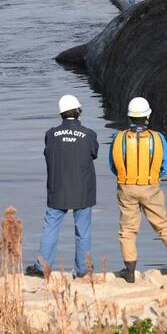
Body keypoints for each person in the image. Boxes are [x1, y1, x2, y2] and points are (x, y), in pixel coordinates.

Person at [109, 97, 167, 282]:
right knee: (162, 224)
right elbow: (165, 163)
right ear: (148, 116)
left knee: (127, 229)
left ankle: (129, 270)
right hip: (151, 186)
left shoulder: (118, 137)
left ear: (129, 117)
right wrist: (153, 176)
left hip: (126, 186)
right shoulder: (157, 137)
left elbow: (113, 165)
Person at [25, 95, 99, 278]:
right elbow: (93, 153)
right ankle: (82, 270)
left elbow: (48, 153)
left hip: (57, 188)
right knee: (83, 231)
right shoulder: (89, 134)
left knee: (51, 228)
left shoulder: (50, 134)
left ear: (61, 114)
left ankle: (42, 267)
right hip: (83, 190)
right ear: (78, 112)